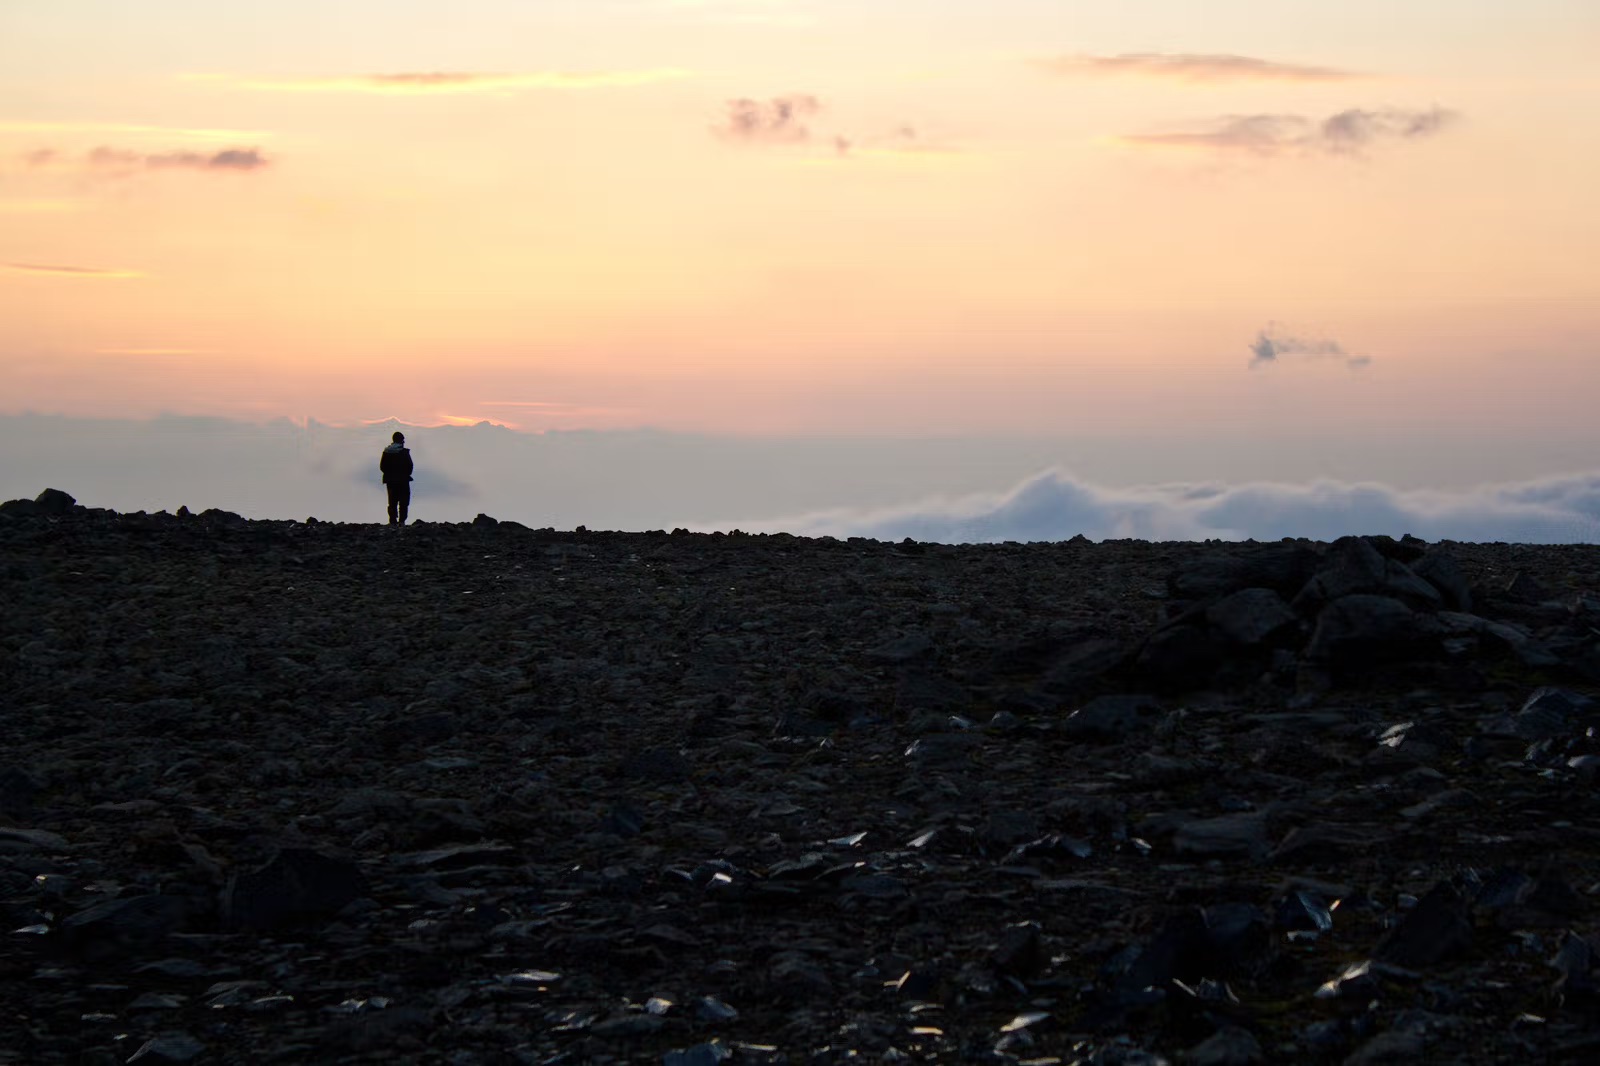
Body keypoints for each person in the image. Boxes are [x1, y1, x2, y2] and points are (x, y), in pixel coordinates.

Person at [379, 431, 413, 525]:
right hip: (403, 481)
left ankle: (392, 521)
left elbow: (382, 467)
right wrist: (405, 474)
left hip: (390, 481)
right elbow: (410, 466)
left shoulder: (386, 452)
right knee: (404, 502)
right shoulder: (404, 452)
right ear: (401, 441)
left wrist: (390, 475)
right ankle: (401, 521)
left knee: (392, 502)